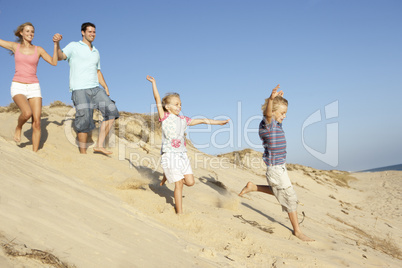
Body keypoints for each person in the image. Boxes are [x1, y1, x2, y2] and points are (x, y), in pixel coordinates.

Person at [239, 84, 314, 242]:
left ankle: (253, 187)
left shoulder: (277, 124)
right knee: (290, 198)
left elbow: (273, 112)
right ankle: (297, 231)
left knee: (279, 192)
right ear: (272, 112)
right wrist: (272, 100)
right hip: (275, 169)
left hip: (281, 167)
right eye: (282, 113)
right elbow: (268, 114)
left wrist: (277, 100)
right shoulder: (268, 124)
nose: (285, 116)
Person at [147, 75, 230, 214]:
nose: (179, 106)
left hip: (182, 156)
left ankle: (169, 175)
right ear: (167, 106)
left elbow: (202, 120)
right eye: (176, 104)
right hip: (170, 155)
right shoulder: (165, 117)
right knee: (179, 184)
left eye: (180, 104)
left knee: (190, 182)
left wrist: (219, 122)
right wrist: (154, 83)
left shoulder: (183, 119)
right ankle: (179, 212)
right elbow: (156, 98)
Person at [53, 22, 119, 155]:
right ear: (83, 32)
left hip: (95, 88)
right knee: (84, 121)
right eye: (89, 32)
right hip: (79, 89)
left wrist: (105, 86)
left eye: (94, 32)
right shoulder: (74, 46)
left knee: (112, 112)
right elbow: (60, 57)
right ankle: (83, 155)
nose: (92, 34)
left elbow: (98, 71)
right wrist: (56, 44)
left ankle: (99, 145)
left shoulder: (96, 51)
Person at [0, 22, 59, 151]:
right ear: (21, 33)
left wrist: (56, 44)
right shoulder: (15, 46)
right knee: (27, 113)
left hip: (34, 87)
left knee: (37, 122)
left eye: (32, 31)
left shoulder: (39, 50)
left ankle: (34, 154)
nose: (30, 34)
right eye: (27, 31)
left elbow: (54, 62)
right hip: (18, 85)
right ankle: (19, 127)